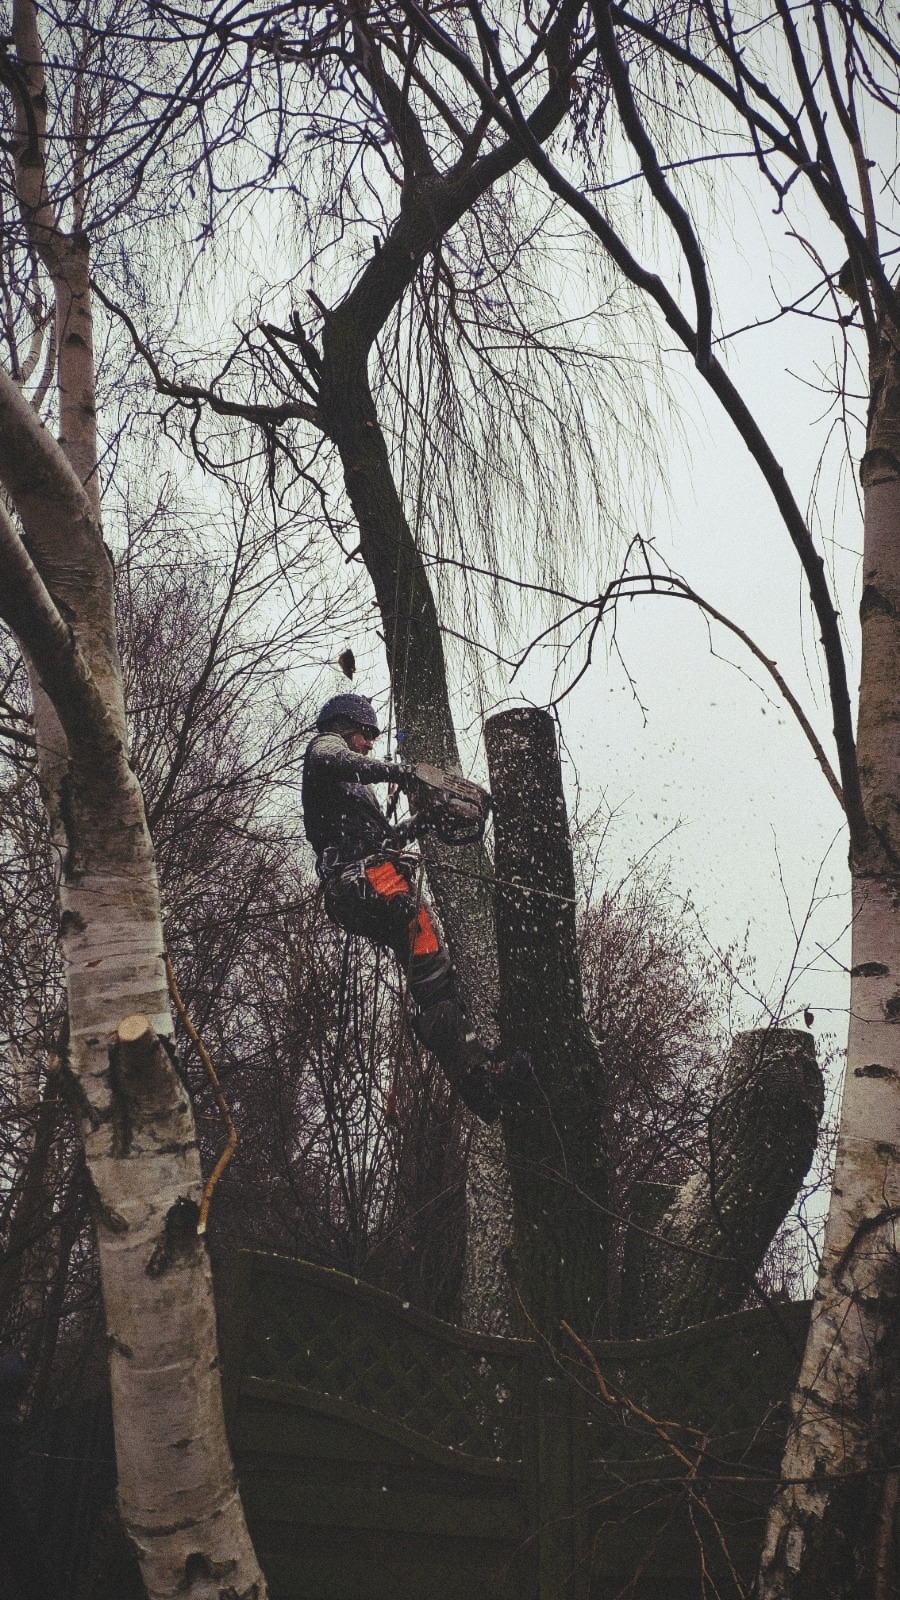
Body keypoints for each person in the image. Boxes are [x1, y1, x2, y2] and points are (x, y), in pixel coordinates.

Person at [303, 692, 521, 1123]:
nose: (368, 745)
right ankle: (481, 1079)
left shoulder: (355, 795)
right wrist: (404, 772)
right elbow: (341, 758)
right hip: (359, 880)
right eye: (365, 735)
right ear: (346, 726)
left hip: (378, 878)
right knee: (427, 960)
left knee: (433, 975)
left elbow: (384, 842)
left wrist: (426, 820)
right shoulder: (325, 751)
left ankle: (481, 1084)